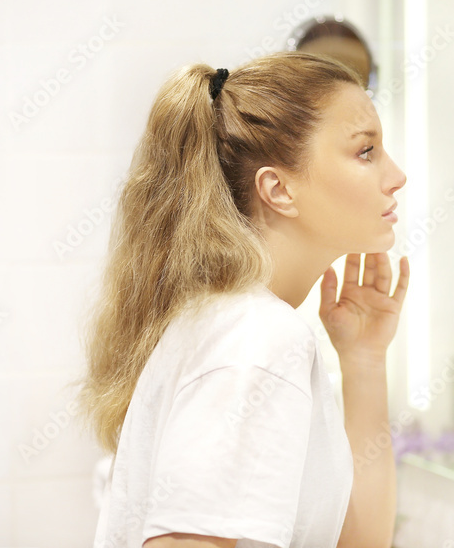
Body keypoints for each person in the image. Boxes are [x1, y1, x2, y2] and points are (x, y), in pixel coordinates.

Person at [74, 50, 409, 548]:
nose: (396, 175)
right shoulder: (257, 339)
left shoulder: (238, 323)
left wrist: (364, 360)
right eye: (366, 151)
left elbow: (358, 542)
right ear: (278, 189)